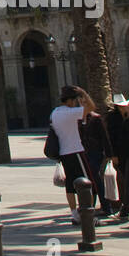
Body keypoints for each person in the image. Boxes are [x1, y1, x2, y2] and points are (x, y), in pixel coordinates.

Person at [49, 85, 94, 223]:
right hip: (75, 151)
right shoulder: (71, 113)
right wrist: (84, 93)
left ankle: (74, 213)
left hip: (63, 152)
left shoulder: (55, 112)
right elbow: (91, 108)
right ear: (70, 100)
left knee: (70, 184)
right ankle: (88, 213)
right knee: (87, 183)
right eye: (75, 100)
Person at [79, 106, 115, 217]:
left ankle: (106, 207)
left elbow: (105, 137)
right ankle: (90, 206)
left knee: (95, 178)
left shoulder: (96, 118)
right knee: (89, 179)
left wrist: (109, 154)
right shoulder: (78, 120)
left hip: (96, 152)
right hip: (84, 152)